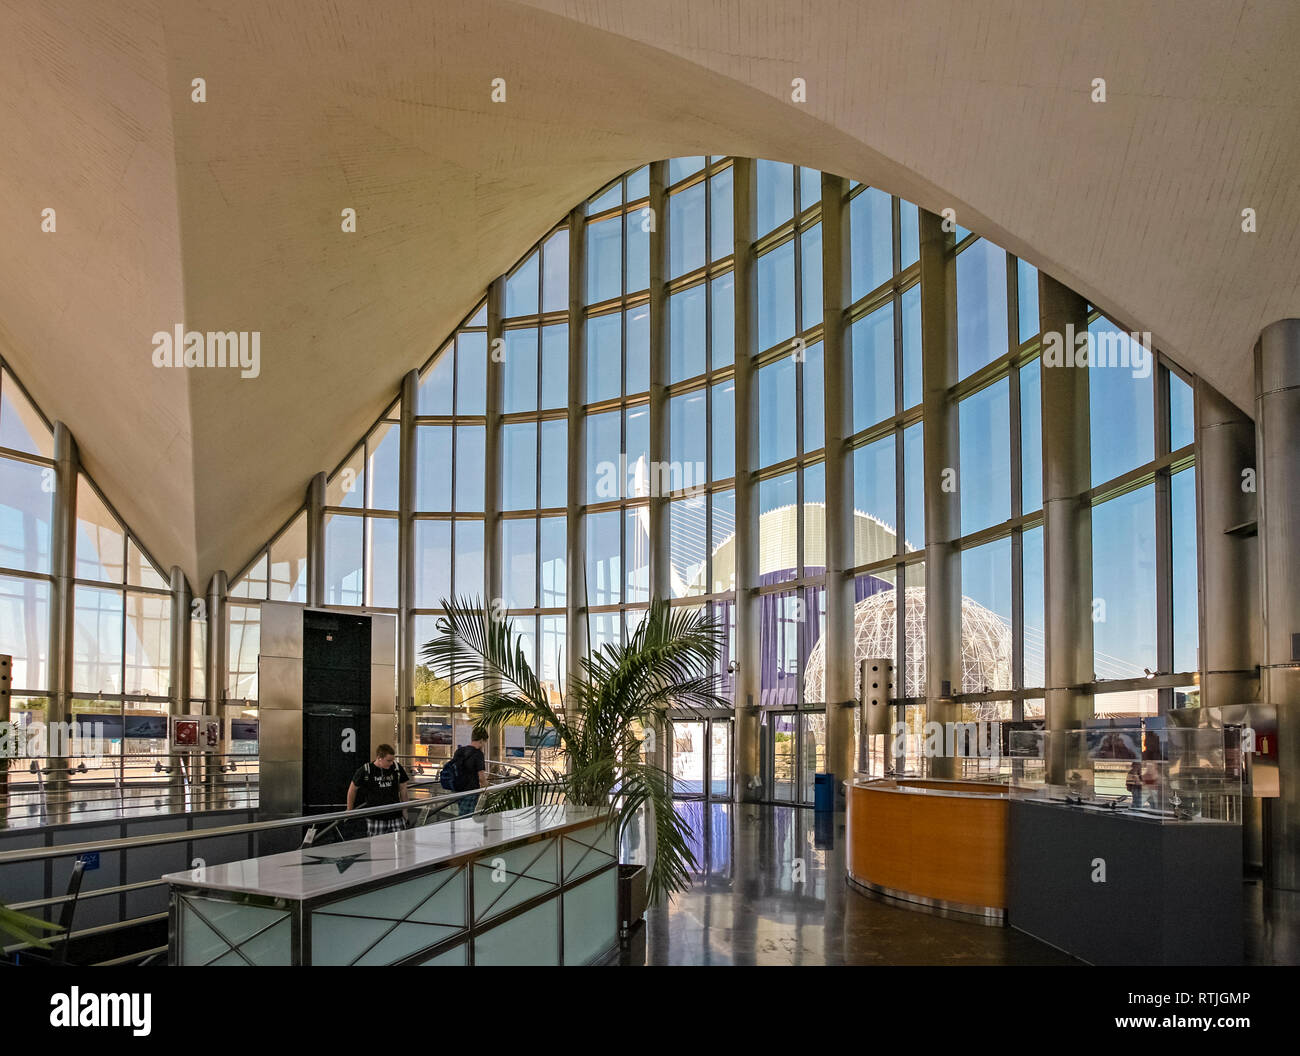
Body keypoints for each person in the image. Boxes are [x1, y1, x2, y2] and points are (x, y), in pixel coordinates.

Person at [347, 744, 410, 836]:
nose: (391, 763)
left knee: (401, 844)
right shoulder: (366, 770)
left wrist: (405, 810)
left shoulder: (396, 768)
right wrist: (350, 809)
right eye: (388, 760)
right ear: (379, 758)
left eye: (393, 760)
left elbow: (403, 789)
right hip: (375, 817)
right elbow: (352, 789)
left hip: (395, 815)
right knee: (377, 846)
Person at [449, 727, 490, 816]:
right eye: (485, 742)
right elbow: (481, 778)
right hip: (470, 791)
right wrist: (488, 788)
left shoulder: (459, 751)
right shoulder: (478, 754)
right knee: (467, 817)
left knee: (462, 812)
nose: (484, 744)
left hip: (457, 789)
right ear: (482, 740)